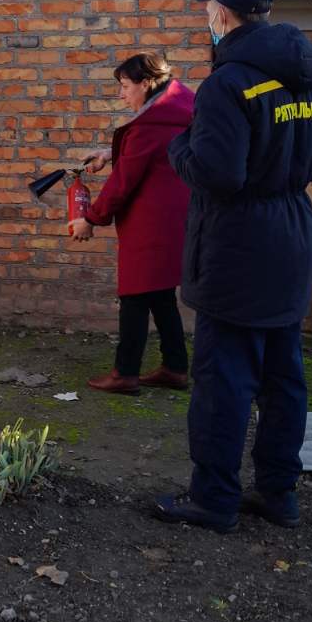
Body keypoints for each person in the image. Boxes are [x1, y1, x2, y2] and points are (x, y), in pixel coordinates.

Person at [157, 0, 312, 532]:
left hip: (237, 247)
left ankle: (213, 499)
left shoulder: (228, 84)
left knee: (224, 380)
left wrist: (179, 149)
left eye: (210, 8)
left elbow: (219, 174)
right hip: (291, 238)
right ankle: (279, 494)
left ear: (222, 14)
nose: (208, 16)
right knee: (283, 379)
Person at [68, 53, 196, 394]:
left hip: (148, 223)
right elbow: (154, 153)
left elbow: (123, 182)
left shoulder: (149, 124)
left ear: (146, 83)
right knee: (161, 294)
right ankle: (175, 368)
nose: (121, 95)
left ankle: (125, 374)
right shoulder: (179, 109)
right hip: (173, 216)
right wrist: (111, 153)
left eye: (125, 86)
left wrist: (90, 218)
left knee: (135, 296)